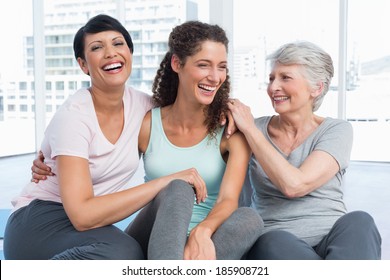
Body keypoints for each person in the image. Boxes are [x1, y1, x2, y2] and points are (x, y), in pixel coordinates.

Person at [23, 20, 263, 260]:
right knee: (178, 188)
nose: (214, 76)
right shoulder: (148, 121)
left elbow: (229, 199)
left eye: (221, 67)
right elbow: (90, 140)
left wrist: (202, 231)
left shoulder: (230, 128)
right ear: (177, 64)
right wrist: (48, 158)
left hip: (206, 239)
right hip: (156, 236)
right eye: (203, 65)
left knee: (250, 219)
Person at [228, 41, 382, 260]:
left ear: (316, 88)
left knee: (360, 222)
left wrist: (251, 131)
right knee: (274, 240)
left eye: (285, 78)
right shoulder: (252, 129)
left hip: (332, 239)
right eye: (272, 78)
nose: (273, 87)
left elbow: (295, 185)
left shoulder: (336, 130)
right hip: (277, 244)